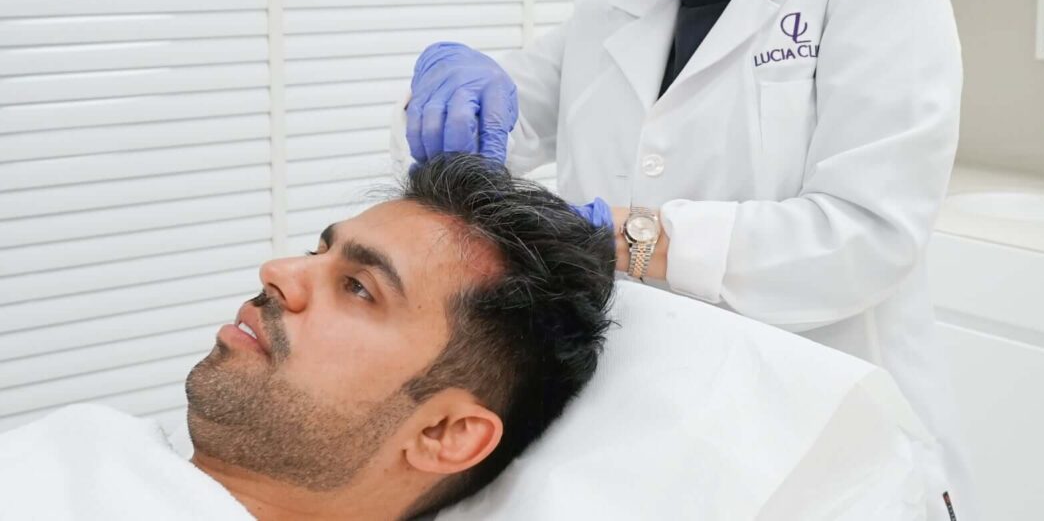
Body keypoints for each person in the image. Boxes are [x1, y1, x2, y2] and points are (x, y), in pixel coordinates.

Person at [400, 0, 974, 518]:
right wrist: (445, 100)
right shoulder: (606, 9)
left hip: (832, 452)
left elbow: (868, 234)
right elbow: (488, 137)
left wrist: (630, 239)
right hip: (656, 442)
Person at [0, 155, 615, 521]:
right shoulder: (88, 442)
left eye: (358, 287)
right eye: (315, 251)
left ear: (443, 434)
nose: (279, 272)